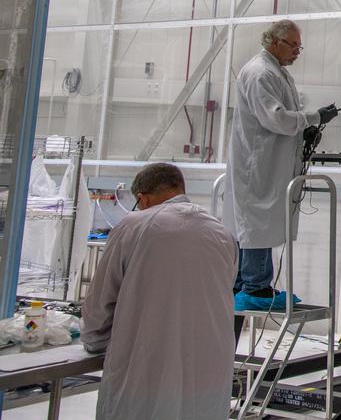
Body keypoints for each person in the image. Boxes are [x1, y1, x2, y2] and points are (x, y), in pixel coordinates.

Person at [82, 163, 238, 420]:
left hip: (146, 373)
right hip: (210, 372)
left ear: (142, 198)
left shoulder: (133, 226)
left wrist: (93, 341)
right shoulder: (222, 233)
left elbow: (101, 300)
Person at [226, 18, 338, 311]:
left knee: (261, 222)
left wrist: (305, 129)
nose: (298, 52)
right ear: (274, 42)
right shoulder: (261, 73)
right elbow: (275, 118)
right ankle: (255, 286)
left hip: (269, 162)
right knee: (256, 223)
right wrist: (313, 118)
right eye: (294, 45)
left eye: (300, 46)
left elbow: (284, 117)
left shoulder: (276, 72)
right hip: (258, 164)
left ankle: (252, 283)